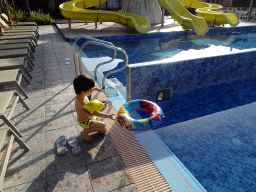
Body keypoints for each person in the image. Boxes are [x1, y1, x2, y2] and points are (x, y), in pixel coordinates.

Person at [73, 74, 116, 142]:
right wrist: (108, 116)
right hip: (84, 121)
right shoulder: (82, 103)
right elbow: (95, 113)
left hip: (89, 117)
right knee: (103, 125)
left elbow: (88, 89)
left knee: (103, 131)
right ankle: (84, 132)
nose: (91, 90)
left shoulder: (81, 94)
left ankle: (88, 128)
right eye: (90, 89)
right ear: (82, 90)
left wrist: (96, 88)